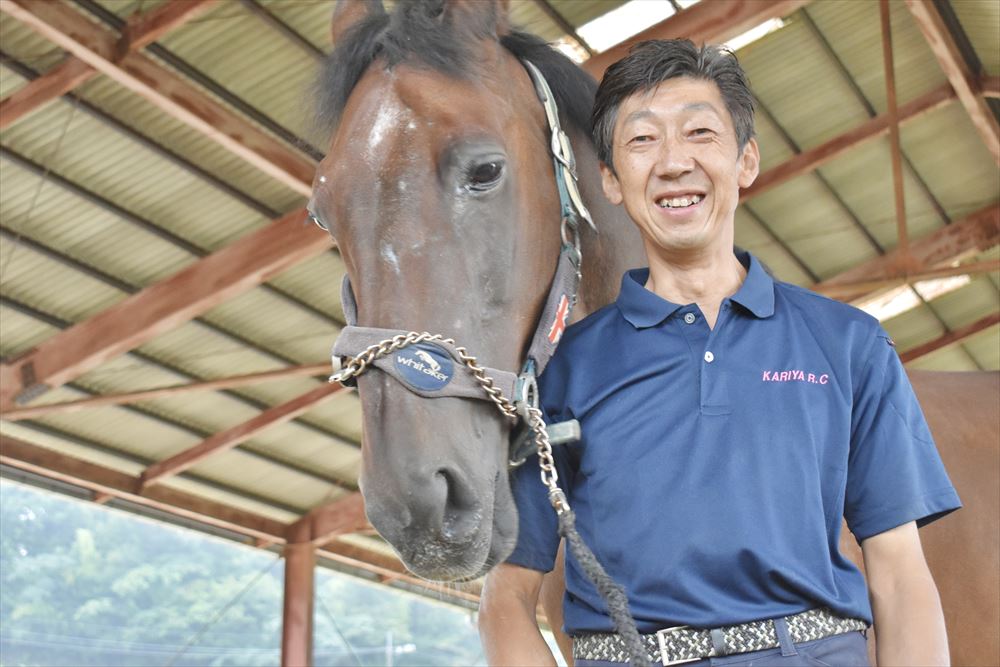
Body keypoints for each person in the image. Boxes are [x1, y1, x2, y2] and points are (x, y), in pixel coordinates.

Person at [478, 40, 961, 667]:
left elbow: (899, 574)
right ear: (609, 181)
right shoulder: (558, 370)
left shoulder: (849, 344)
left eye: (700, 133)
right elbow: (504, 600)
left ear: (746, 162)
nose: (674, 162)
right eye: (643, 141)